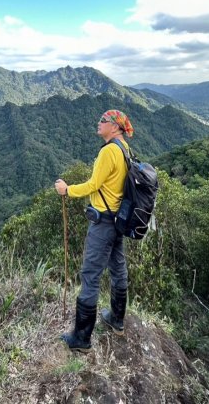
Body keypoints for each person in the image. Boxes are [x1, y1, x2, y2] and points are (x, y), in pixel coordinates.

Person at [55, 109, 134, 352]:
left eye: (103, 121)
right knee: (118, 268)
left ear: (115, 127)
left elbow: (93, 185)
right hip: (118, 219)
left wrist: (67, 190)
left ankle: (81, 338)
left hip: (103, 223)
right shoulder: (124, 149)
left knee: (90, 275)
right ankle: (116, 319)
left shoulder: (109, 151)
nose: (98, 123)